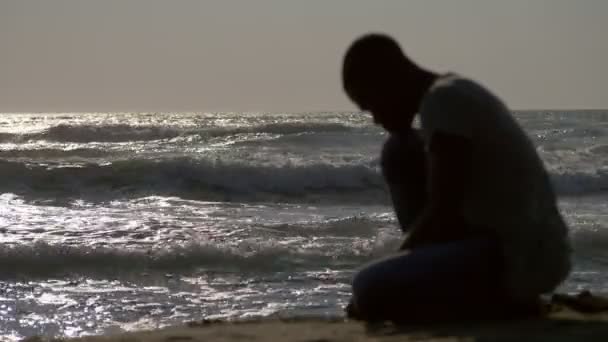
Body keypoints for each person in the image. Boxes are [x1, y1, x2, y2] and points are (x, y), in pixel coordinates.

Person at [342, 33, 571, 323]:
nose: (375, 118)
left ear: (386, 80)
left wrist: (397, 261)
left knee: (367, 287)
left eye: (370, 104)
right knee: (401, 148)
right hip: (528, 250)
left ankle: (495, 302)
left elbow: (443, 211)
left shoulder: (443, 101)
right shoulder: (452, 91)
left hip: (515, 257)